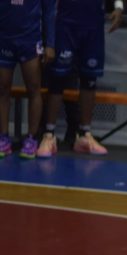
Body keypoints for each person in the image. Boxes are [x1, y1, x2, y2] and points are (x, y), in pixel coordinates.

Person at [36, 0, 123, 158]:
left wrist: (118, 6)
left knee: (90, 79)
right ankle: (49, 135)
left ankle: (84, 134)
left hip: (92, 24)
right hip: (65, 22)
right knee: (57, 79)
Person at [0, 0, 53, 159]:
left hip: (30, 38)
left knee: (34, 89)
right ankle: (3, 137)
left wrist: (50, 43)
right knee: (2, 89)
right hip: (4, 38)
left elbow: (49, 11)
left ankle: (31, 138)